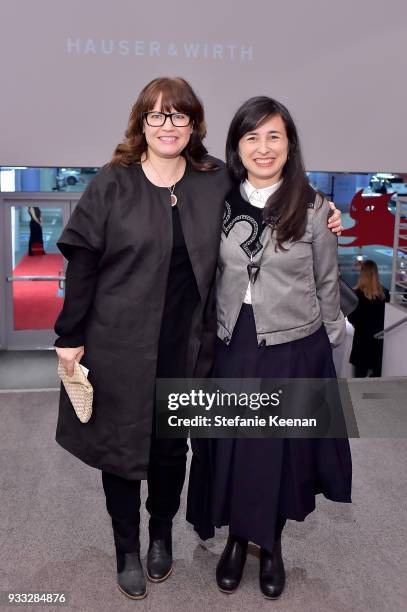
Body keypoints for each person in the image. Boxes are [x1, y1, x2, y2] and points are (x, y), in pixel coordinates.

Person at [53, 78, 343, 600]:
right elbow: (82, 263)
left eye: (179, 117)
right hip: (119, 344)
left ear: (194, 125)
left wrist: (324, 212)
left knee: (172, 449)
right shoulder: (112, 182)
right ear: (141, 121)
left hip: (191, 345)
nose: (169, 126)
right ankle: (127, 548)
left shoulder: (213, 183)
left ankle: (162, 535)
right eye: (158, 116)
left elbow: (272, 197)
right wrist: (69, 335)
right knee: (120, 452)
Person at [187, 96, 352, 600]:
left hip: (295, 348)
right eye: (252, 137)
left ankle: (272, 545)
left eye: (274, 136)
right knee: (233, 447)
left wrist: (327, 350)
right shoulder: (219, 201)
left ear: (289, 144)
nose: (263, 147)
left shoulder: (315, 207)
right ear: (237, 146)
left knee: (284, 454)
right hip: (233, 343)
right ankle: (238, 538)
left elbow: (328, 285)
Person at [348, 259, 390, 377]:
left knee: (358, 381)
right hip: (378, 343)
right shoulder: (385, 293)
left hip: (361, 343)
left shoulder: (356, 293)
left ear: (362, 273)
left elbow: (352, 318)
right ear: (376, 273)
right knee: (376, 381)